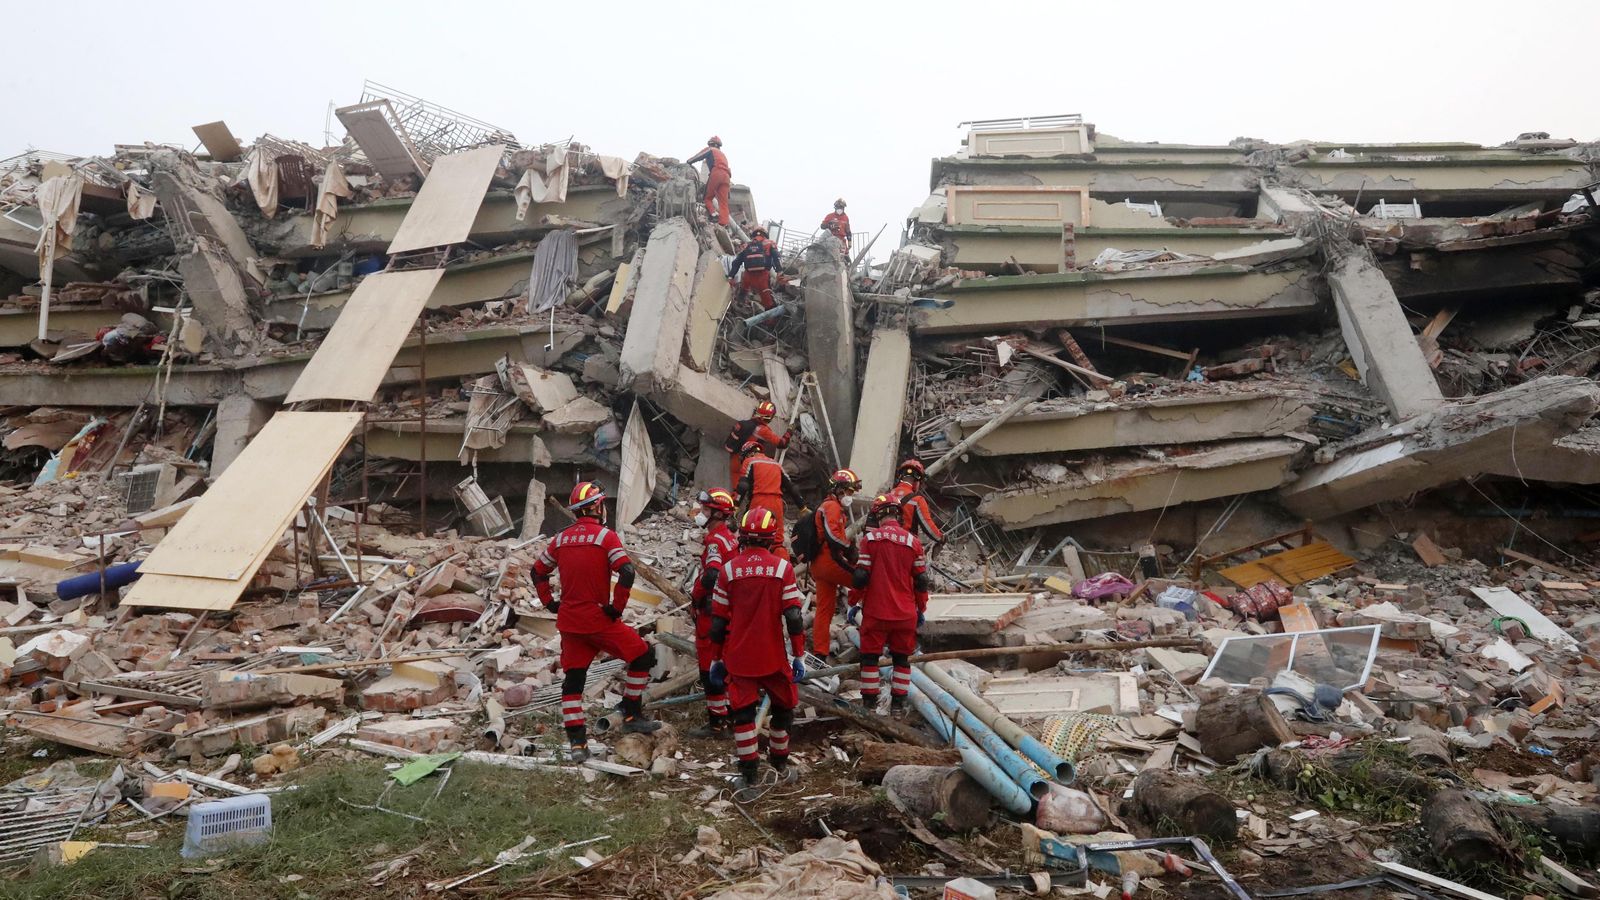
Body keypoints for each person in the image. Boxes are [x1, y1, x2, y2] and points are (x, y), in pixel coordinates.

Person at [531, 482, 662, 763]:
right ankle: (630, 713)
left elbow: (537, 571)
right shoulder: (606, 537)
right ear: (597, 507)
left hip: (570, 623)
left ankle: (578, 744)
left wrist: (549, 602)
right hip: (599, 621)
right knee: (643, 655)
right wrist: (617, 608)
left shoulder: (560, 539)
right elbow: (626, 572)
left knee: (573, 683)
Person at [706, 507, 807, 789]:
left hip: (738, 657)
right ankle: (779, 764)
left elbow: (718, 622)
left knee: (743, 715)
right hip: (773, 656)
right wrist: (798, 655)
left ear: (743, 536)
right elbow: (794, 617)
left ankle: (749, 775)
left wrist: (715, 658)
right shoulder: (782, 568)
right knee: (784, 708)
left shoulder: (728, 570)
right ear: (770, 537)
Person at [846, 494, 930, 716]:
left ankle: (869, 706)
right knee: (902, 660)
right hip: (905, 613)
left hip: (876, 612)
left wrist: (853, 602)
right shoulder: (913, 542)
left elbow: (861, 577)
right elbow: (921, 581)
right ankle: (898, 707)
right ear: (898, 515)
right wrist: (921, 608)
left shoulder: (870, 540)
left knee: (870, 659)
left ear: (877, 514)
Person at [688, 487, 739, 737]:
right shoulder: (730, 537)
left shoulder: (715, 540)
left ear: (718, 515)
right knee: (725, 664)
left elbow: (712, 574)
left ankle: (718, 722)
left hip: (712, 611)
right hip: (728, 609)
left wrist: (697, 598)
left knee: (709, 668)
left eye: (706, 509)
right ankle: (729, 715)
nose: (700, 512)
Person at [807, 468, 861, 660]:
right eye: (849, 491)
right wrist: (850, 550)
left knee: (824, 609)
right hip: (829, 562)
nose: (850, 496)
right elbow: (833, 537)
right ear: (839, 489)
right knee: (866, 582)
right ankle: (874, 634)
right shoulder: (832, 507)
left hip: (819, 565)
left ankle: (820, 654)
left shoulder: (826, 506)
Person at [736, 441, 805, 536]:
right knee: (777, 537)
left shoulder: (750, 461)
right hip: (777, 504)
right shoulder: (776, 464)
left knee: (753, 534)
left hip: (759, 502)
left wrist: (735, 505)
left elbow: (743, 486)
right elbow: (792, 487)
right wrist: (802, 507)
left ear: (749, 453)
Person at [722, 401, 788, 488]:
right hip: (746, 463)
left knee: (737, 488)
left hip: (734, 458)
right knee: (751, 487)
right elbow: (782, 444)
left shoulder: (750, 422)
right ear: (770, 417)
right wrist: (789, 432)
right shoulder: (763, 430)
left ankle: (735, 499)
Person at [890, 459, 945, 547]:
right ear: (917, 481)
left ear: (900, 477)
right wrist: (941, 538)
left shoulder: (886, 496)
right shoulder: (917, 500)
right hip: (905, 546)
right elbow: (928, 527)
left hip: (884, 544)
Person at [728, 227, 780, 310]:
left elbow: (736, 262)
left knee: (744, 290)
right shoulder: (770, 244)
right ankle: (770, 321)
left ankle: (740, 303)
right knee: (768, 301)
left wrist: (731, 276)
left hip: (748, 276)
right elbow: (777, 258)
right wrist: (779, 271)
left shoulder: (747, 245)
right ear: (765, 235)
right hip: (763, 277)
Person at [686, 136, 732, 226]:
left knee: (707, 198)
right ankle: (723, 223)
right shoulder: (723, 155)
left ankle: (713, 215)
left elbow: (699, 156)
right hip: (727, 177)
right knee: (723, 203)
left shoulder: (711, 150)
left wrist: (689, 162)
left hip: (717, 173)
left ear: (711, 144)